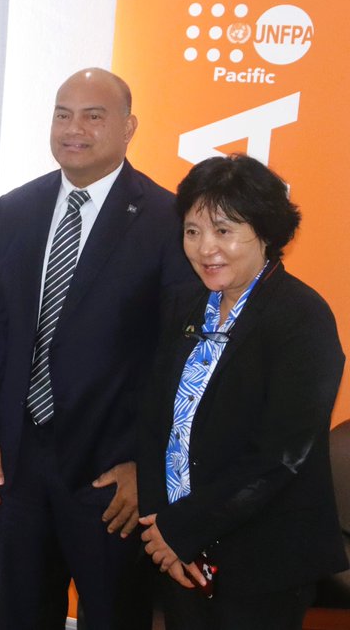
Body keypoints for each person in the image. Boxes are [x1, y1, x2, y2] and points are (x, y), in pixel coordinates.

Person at [0, 68, 192, 629]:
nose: (75, 128)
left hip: (112, 475)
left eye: (94, 115)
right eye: (63, 114)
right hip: (14, 469)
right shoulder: (14, 210)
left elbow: (177, 357)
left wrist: (147, 464)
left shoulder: (168, 220)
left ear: (128, 127)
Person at [137, 154, 347, 629]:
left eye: (224, 230)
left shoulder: (302, 318)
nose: (205, 248)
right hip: (179, 554)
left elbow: (280, 455)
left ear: (267, 233)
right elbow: (155, 425)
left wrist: (182, 530)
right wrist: (162, 533)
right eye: (193, 231)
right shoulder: (185, 304)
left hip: (262, 560)